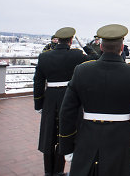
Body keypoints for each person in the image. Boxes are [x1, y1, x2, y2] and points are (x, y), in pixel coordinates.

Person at [59, 24, 130, 176]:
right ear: (122, 48)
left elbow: (67, 112)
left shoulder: (82, 70)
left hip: (87, 135)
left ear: (101, 47)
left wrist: (66, 147)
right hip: (120, 138)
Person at [33, 27, 98, 176]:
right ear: (70, 40)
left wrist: (38, 104)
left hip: (50, 98)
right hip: (70, 97)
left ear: (58, 39)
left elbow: (38, 82)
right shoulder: (76, 55)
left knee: (49, 134)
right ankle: (61, 171)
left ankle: (49, 171)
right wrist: (83, 45)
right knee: (68, 133)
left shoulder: (44, 56)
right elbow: (96, 57)